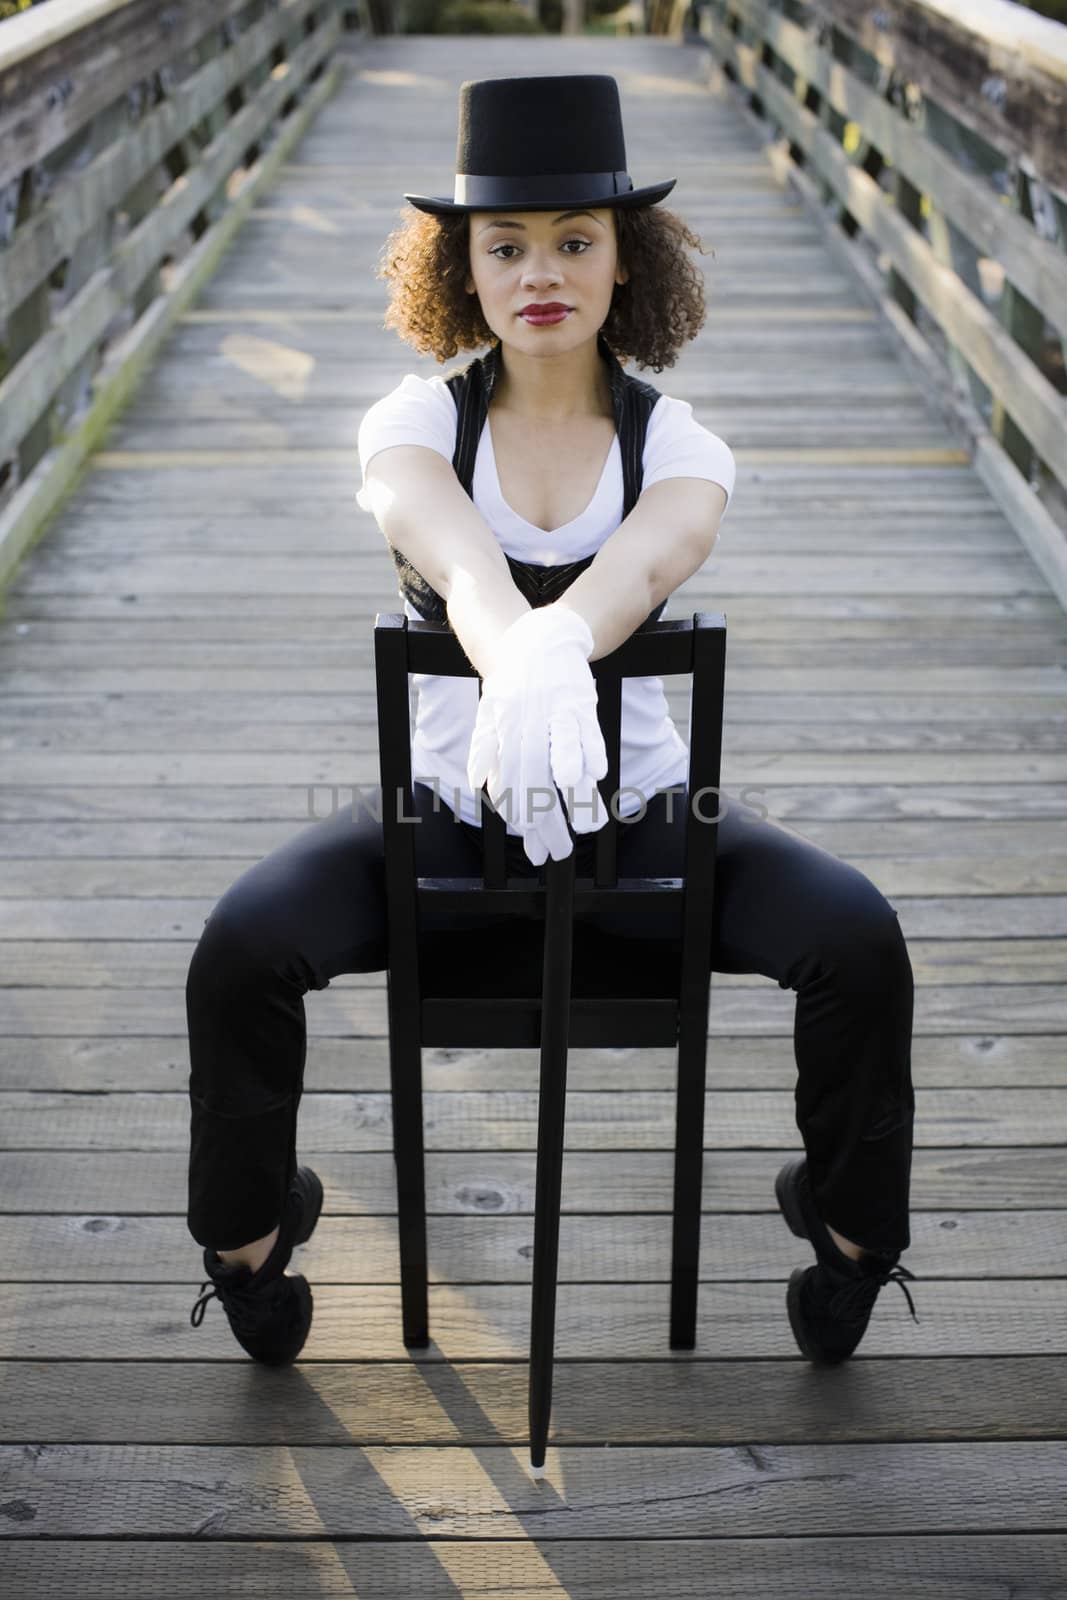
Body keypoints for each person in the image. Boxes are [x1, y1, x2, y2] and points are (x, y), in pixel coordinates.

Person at [187, 73, 918, 1368]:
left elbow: (646, 564)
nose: (542, 272)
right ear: (459, 266)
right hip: (439, 844)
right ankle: (248, 1249)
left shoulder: (677, 443)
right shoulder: (415, 423)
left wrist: (560, 640)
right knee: (240, 947)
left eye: (576, 241)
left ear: (624, 258)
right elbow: (455, 558)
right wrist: (515, 644)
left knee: (857, 938)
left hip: (647, 846)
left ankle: (853, 1238)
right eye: (506, 244)